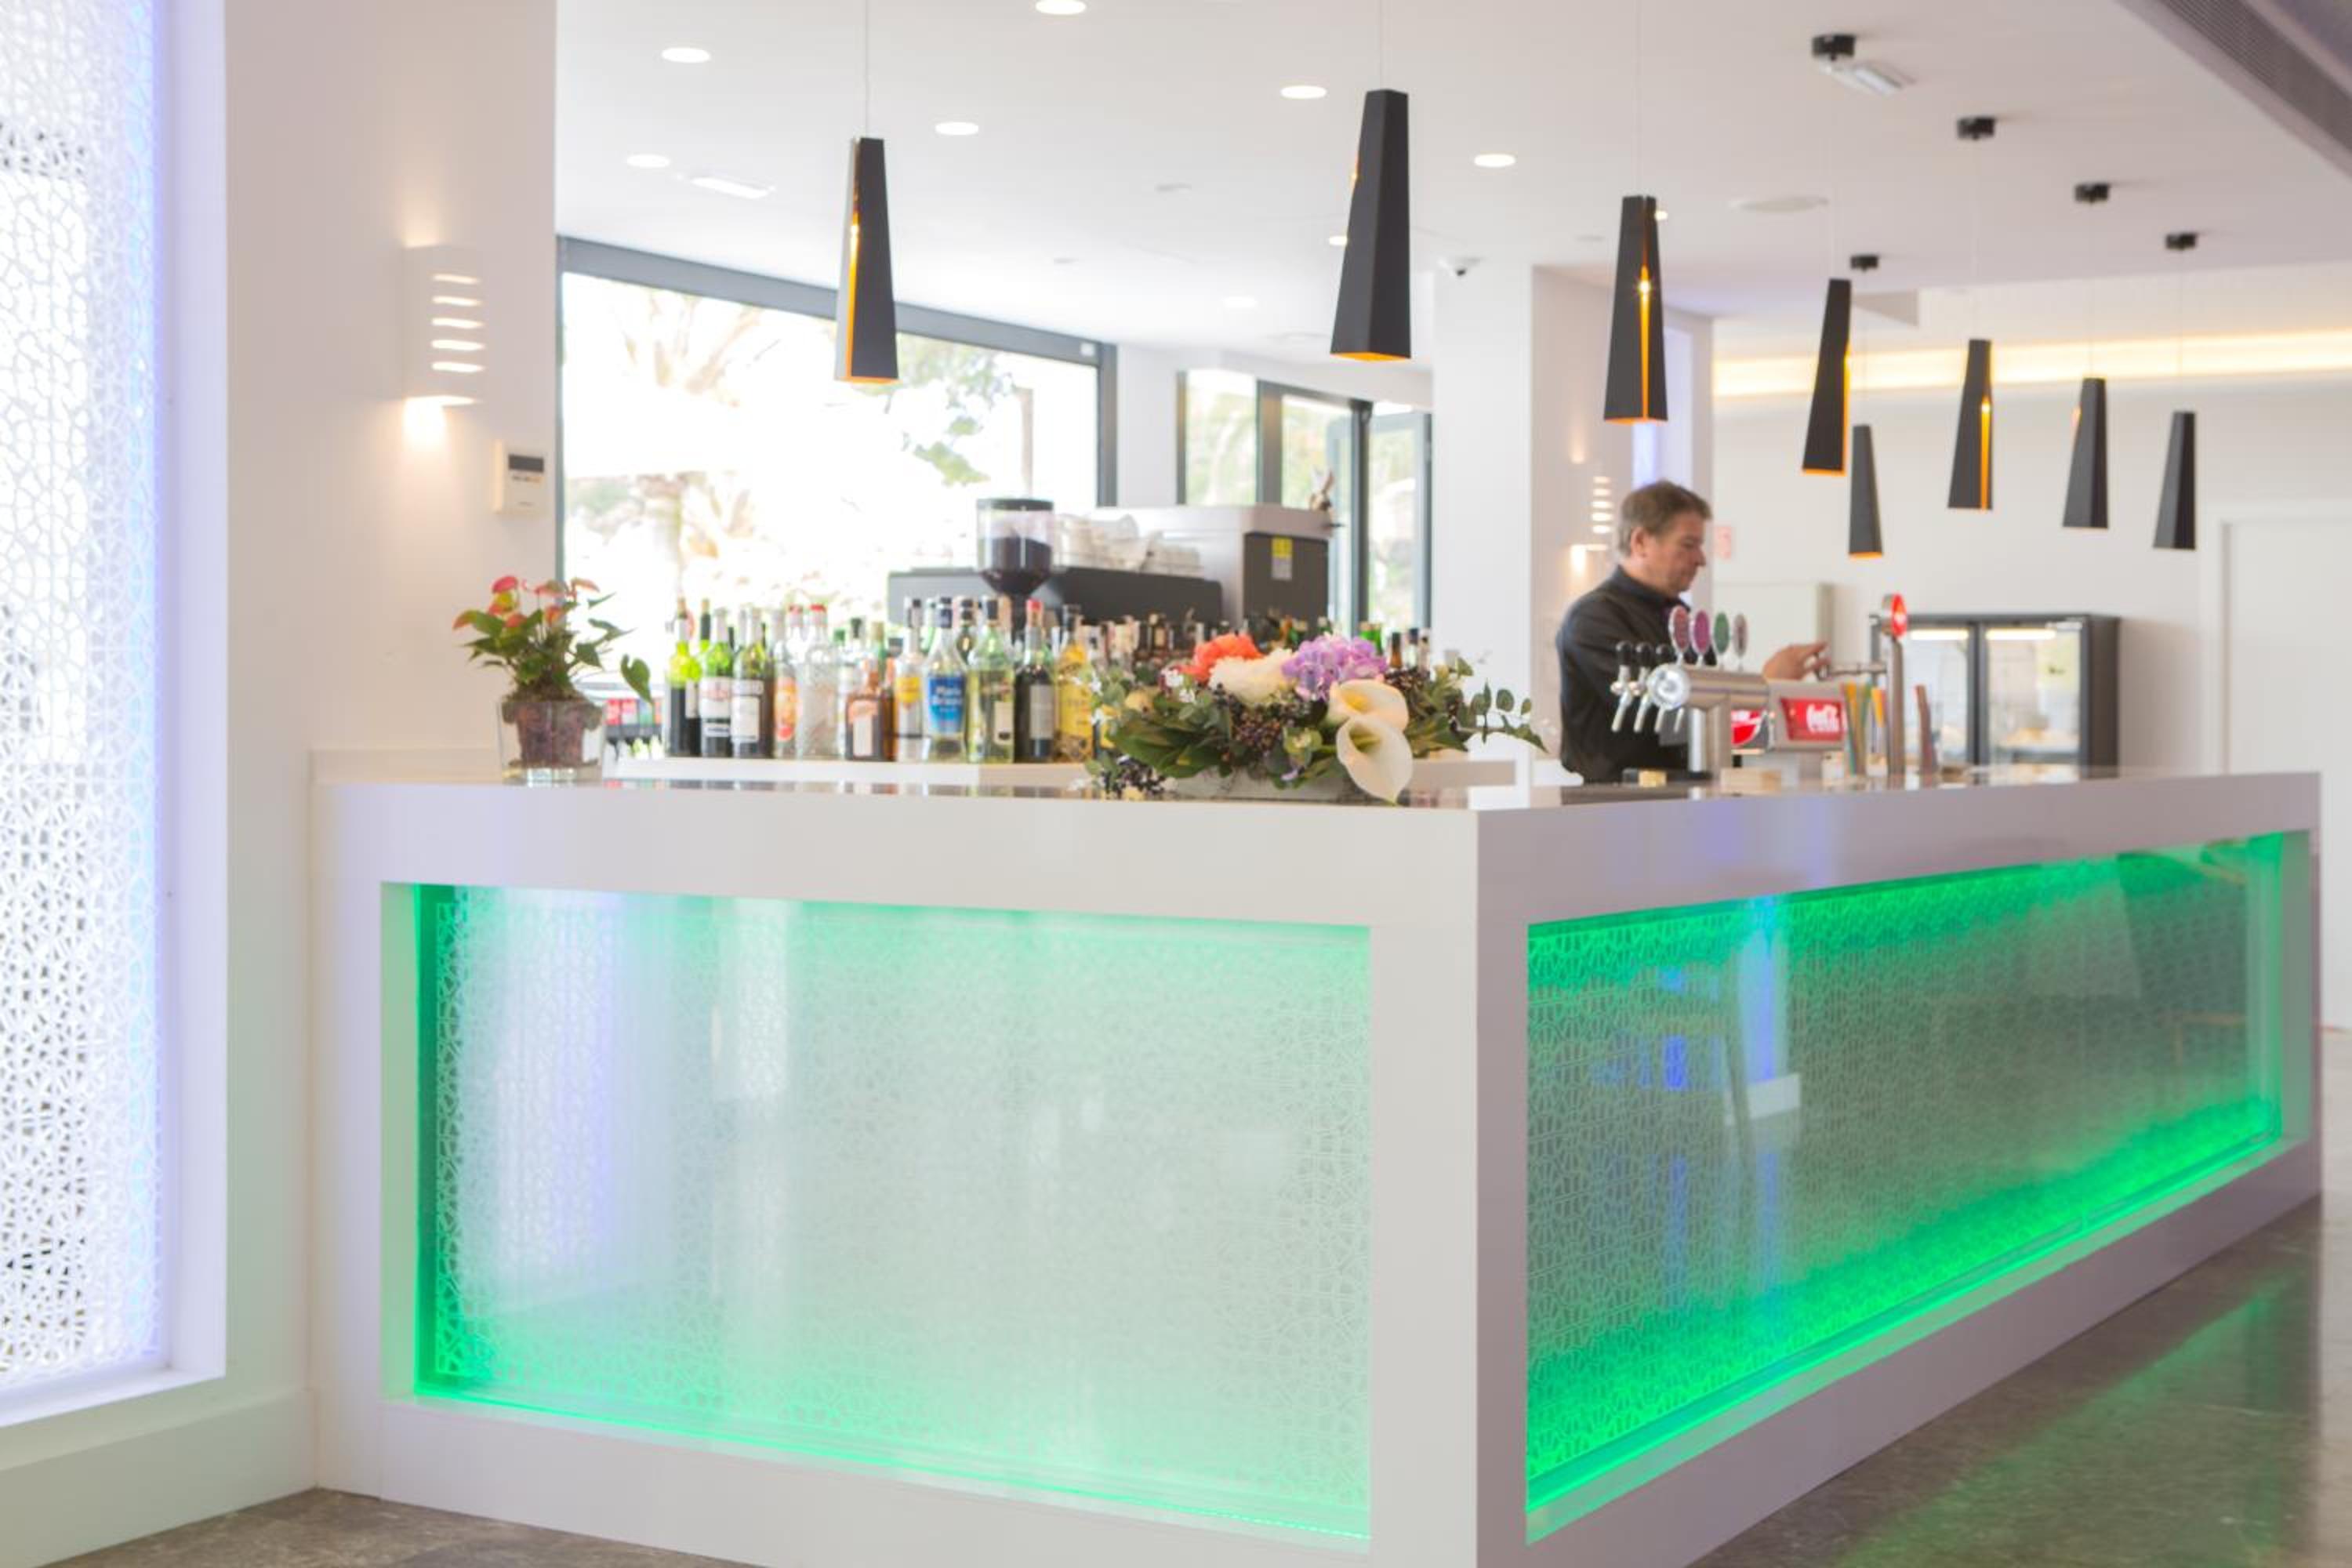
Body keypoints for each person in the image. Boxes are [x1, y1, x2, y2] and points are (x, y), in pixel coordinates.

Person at [1554, 480, 1826, 782]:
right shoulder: (1594, 619)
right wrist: (1764, 688)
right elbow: (1660, 716)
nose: (1701, 559)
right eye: (1688, 545)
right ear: (1640, 542)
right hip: (1618, 802)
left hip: (1689, 795)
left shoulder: (1682, 617)